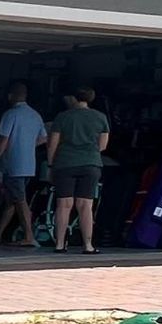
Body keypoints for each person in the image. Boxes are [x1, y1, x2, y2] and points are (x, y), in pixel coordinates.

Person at [46, 87, 110, 254]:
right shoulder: (100, 117)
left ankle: (60, 244)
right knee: (85, 206)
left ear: (74, 98)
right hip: (91, 164)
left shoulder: (63, 117)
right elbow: (102, 146)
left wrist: (51, 165)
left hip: (65, 163)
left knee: (64, 204)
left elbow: (53, 143)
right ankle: (88, 245)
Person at [0, 81, 46, 248]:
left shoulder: (10, 114)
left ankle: (29, 236)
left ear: (11, 96)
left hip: (13, 164)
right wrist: (26, 145)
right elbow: (43, 138)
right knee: (12, 200)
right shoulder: (35, 115)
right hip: (29, 164)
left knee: (20, 200)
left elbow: (4, 138)